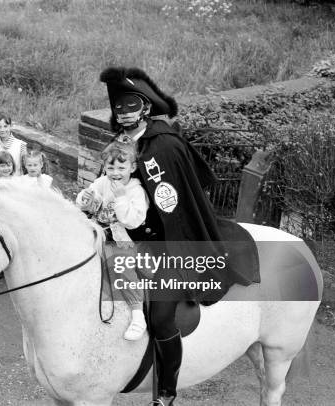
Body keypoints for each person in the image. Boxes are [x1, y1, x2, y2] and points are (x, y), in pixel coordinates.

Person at [99, 66, 257, 405]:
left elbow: (176, 202)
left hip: (167, 244)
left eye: (130, 106)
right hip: (121, 237)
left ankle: (167, 391)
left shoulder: (165, 146)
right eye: (119, 108)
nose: (123, 113)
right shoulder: (118, 146)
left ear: (145, 108)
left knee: (159, 317)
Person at [76, 142, 148, 341]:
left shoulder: (135, 191)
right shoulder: (102, 182)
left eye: (121, 168)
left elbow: (132, 222)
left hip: (120, 240)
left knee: (122, 266)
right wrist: (86, 199)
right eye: (110, 167)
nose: (115, 173)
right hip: (96, 231)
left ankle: (137, 315)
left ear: (132, 168)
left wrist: (121, 198)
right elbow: (89, 201)